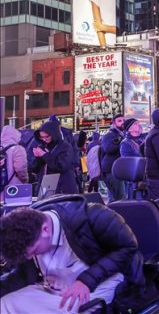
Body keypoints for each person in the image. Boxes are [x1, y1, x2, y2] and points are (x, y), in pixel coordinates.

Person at [0, 199, 141, 312]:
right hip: (52, 286)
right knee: (5, 303)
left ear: (45, 229)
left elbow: (128, 247)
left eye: (34, 251)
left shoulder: (93, 216)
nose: (30, 257)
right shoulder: (28, 236)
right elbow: (22, 275)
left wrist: (86, 281)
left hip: (98, 282)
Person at [30, 121, 79, 194]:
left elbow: (61, 166)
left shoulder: (65, 147)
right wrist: (38, 157)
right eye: (42, 137)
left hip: (63, 188)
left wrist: (44, 155)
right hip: (46, 187)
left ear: (54, 134)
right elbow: (34, 169)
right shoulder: (42, 147)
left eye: (47, 136)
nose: (44, 139)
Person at [100, 114, 126, 201]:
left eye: (124, 120)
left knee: (115, 197)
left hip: (119, 170)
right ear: (114, 124)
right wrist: (121, 143)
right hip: (111, 170)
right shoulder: (109, 135)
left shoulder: (123, 135)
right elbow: (107, 148)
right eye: (119, 121)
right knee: (119, 198)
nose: (123, 122)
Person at [119, 118, 144, 199]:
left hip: (146, 177)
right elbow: (128, 162)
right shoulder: (125, 143)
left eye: (139, 123)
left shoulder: (144, 139)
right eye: (136, 124)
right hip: (135, 181)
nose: (139, 125)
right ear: (130, 129)